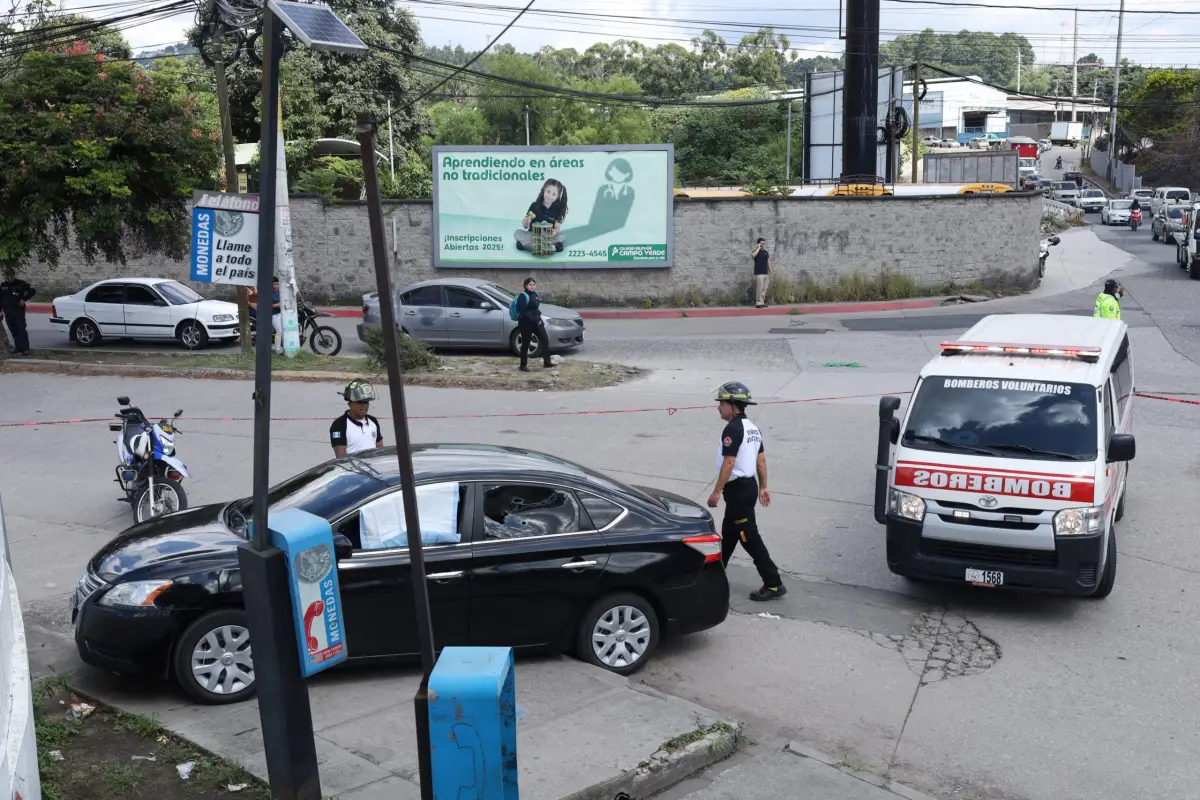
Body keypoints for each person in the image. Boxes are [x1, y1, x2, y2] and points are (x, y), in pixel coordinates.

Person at [706, 382, 786, 602]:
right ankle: (712, 579)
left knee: (748, 537)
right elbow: (760, 462)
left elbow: (729, 463)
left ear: (732, 405)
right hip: (747, 487)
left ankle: (773, 583)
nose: (718, 408)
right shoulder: (752, 427)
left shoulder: (732, 429)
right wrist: (763, 487)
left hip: (738, 490)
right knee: (729, 535)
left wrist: (716, 492)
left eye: (721, 404)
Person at [329, 379, 384, 457]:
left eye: (366, 402)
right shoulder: (339, 425)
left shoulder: (373, 421)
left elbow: (380, 451)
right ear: (349, 403)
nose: (364, 405)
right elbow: (341, 458)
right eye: (360, 402)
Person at [513, 277, 555, 373]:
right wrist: (533, 319)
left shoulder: (535, 295)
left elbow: (535, 309)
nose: (532, 286)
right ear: (525, 286)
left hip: (537, 322)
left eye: (533, 284)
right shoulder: (523, 296)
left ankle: (547, 362)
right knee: (525, 344)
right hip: (526, 323)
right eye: (530, 285)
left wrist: (538, 319)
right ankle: (523, 365)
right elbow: (522, 311)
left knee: (545, 339)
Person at [515, 179, 568, 253]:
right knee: (517, 233)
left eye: (553, 194)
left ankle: (526, 245)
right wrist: (525, 221)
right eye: (548, 192)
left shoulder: (557, 209)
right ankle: (552, 248)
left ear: (557, 196)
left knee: (562, 236)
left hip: (547, 237)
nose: (550, 196)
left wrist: (555, 232)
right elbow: (525, 226)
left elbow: (557, 229)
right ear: (544, 190)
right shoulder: (534, 205)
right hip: (533, 235)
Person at [0, 272, 36, 356]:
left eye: (11, 275)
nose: (9, 277)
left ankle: (25, 348)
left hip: (18, 311)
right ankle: (18, 347)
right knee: (13, 330)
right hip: (7, 311)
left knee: (21, 329)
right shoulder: (3, 285)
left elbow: (32, 291)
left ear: (13, 275)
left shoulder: (21, 284)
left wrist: (24, 299)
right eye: (7, 276)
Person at [248, 276, 282, 353]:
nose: (276, 286)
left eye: (277, 284)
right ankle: (277, 349)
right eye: (274, 284)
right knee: (279, 331)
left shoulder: (279, 292)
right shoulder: (268, 293)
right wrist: (276, 305)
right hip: (273, 314)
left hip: (280, 313)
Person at [751, 238, 773, 308]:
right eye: (761, 243)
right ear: (759, 244)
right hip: (759, 273)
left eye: (764, 243)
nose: (763, 245)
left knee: (764, 288)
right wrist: (758, 248)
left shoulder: (766, 252)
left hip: (766, 273)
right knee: (759, 288)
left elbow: (768, 262)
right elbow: (753, 255)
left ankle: (762, 302)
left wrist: (771, 272)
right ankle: (758, 303)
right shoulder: (756, 251)